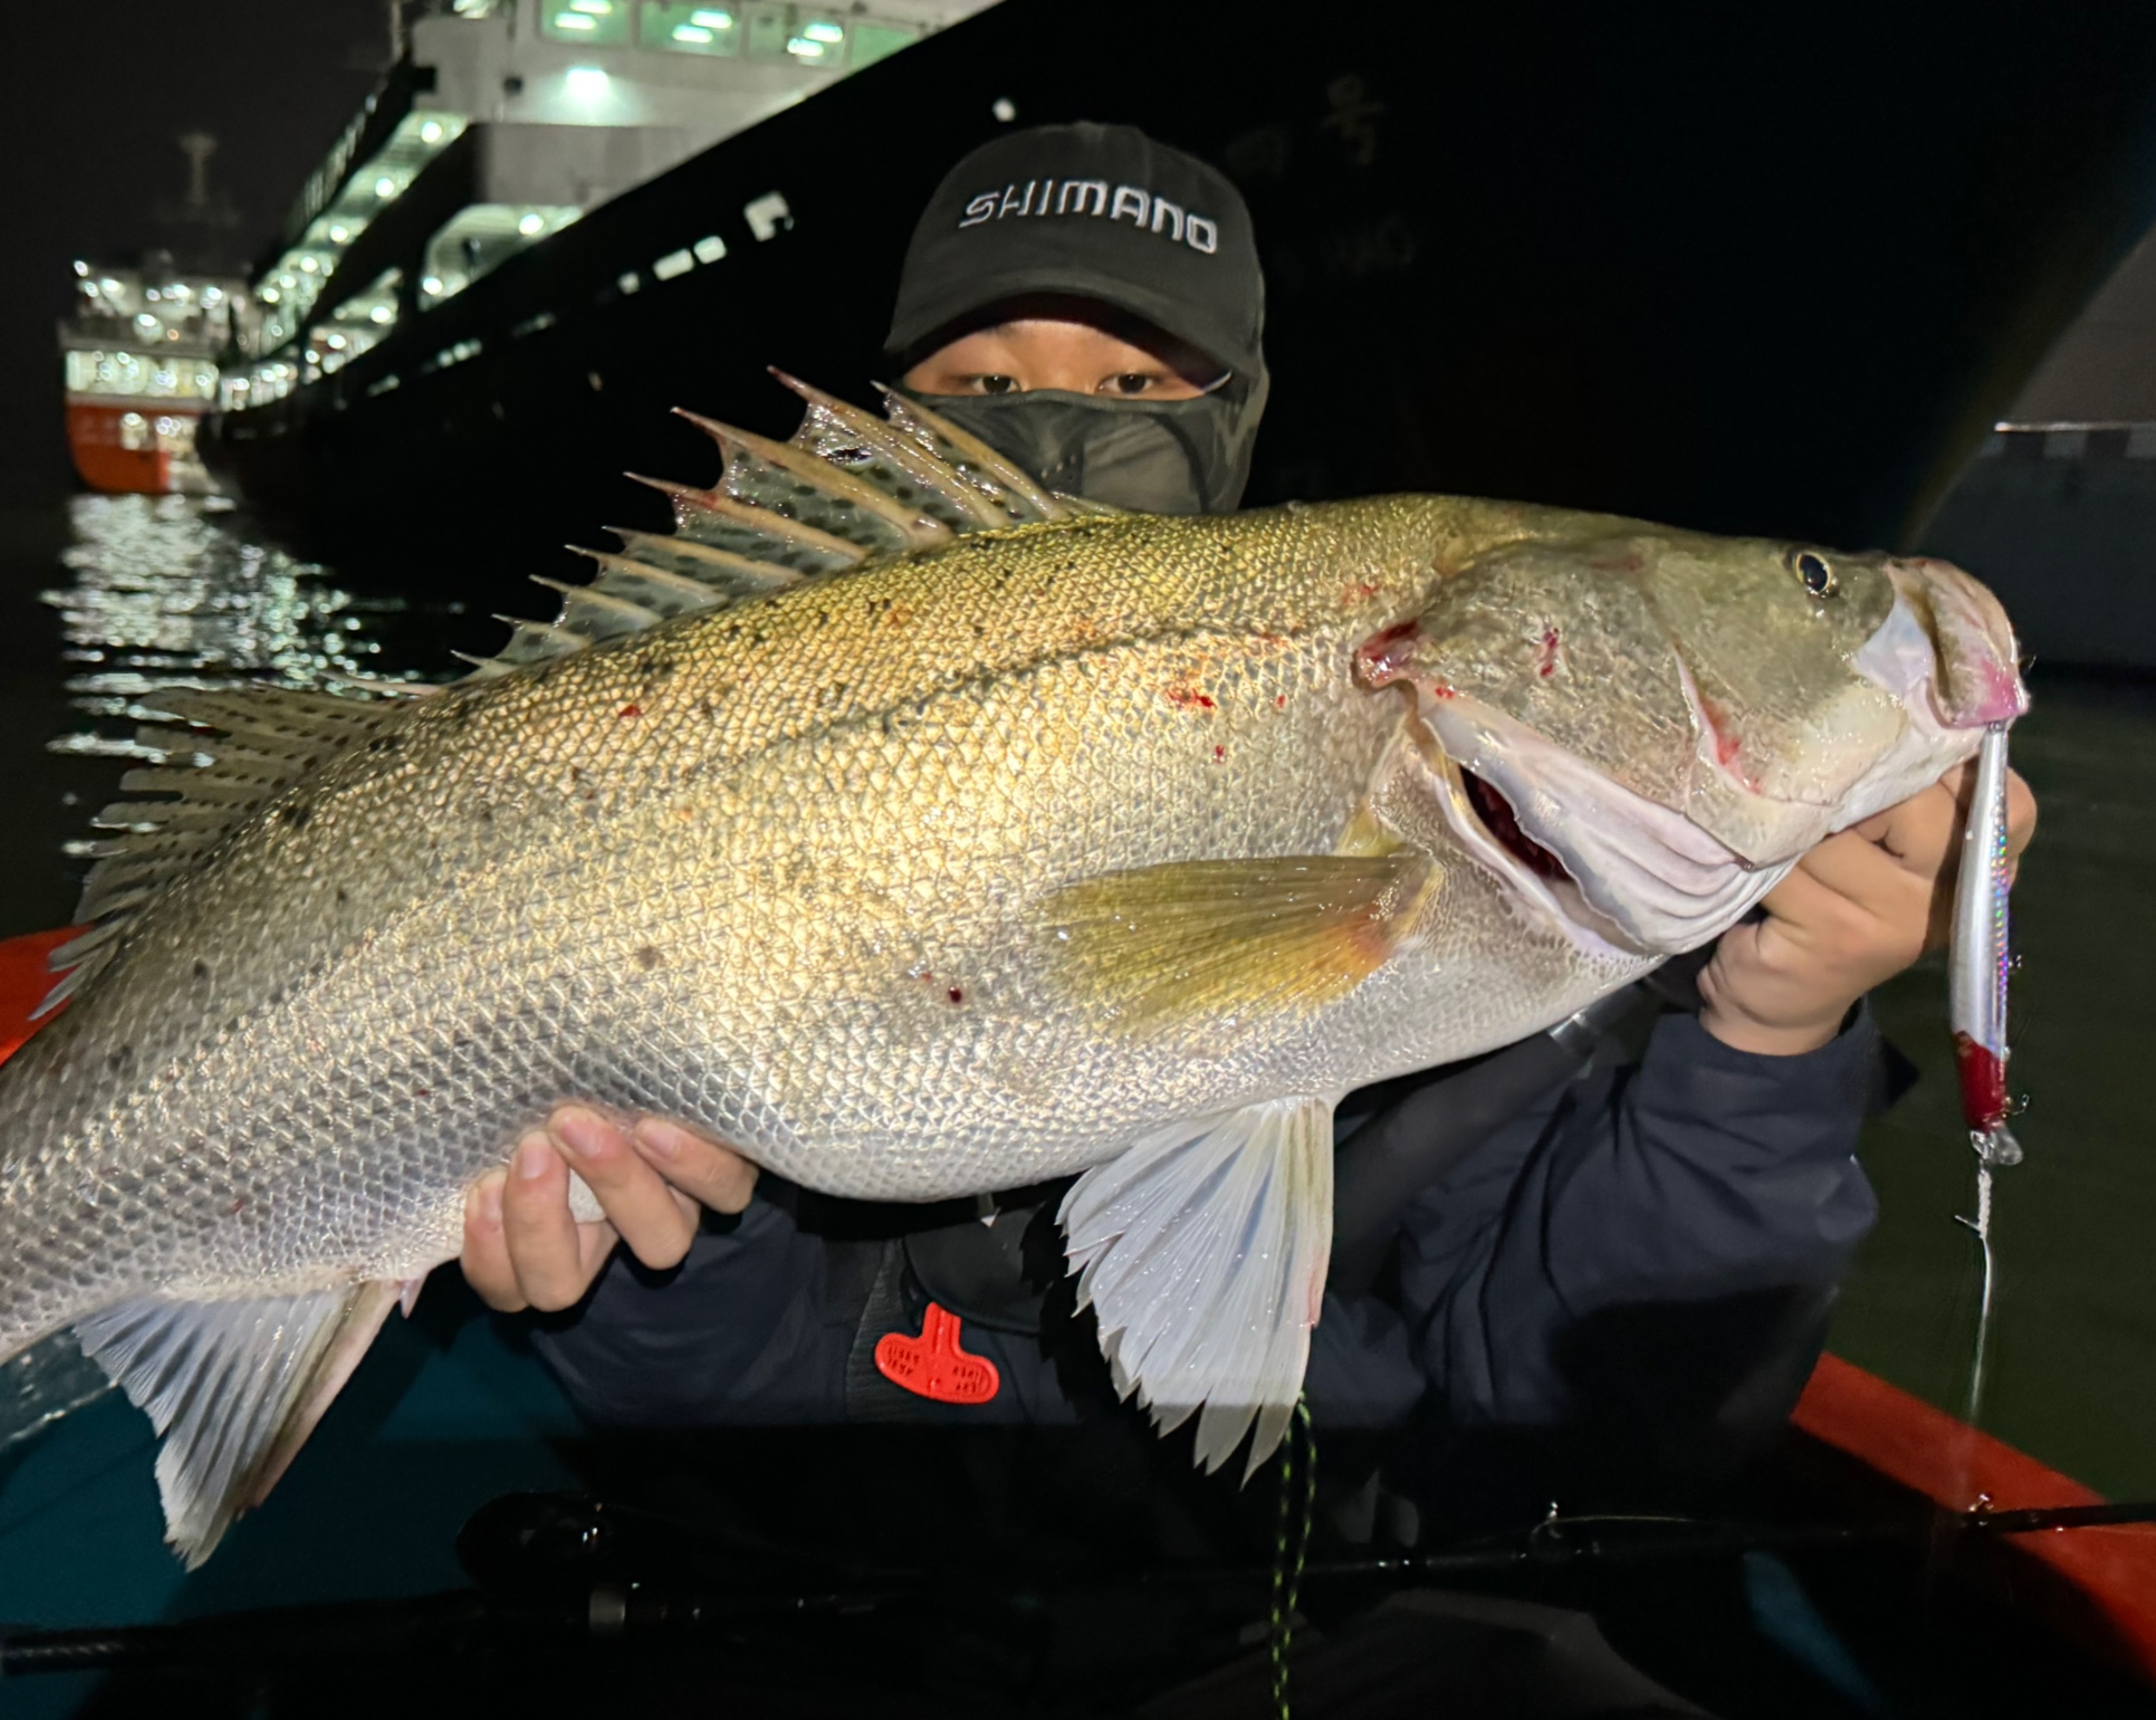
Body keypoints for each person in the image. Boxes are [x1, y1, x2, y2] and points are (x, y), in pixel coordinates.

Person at [455, 123, 2037, 1499]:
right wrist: (646, 1263)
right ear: (899, 414)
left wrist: (1763, 1047)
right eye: (983, 380)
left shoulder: (1553, 915)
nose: (1056, 416)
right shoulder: (765, 700)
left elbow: (1600, 1419)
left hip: (1265, 1613)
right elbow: (722, 1401)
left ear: (1235, 412)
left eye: (1134, 379)